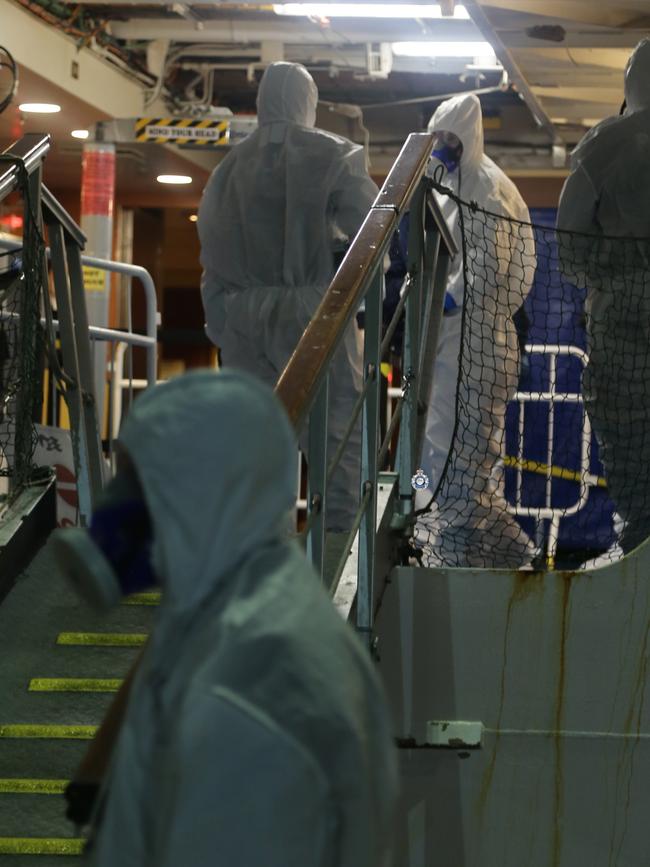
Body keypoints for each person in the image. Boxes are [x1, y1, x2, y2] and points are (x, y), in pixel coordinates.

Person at [55, 370, 397, 866]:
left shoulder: (251, 689)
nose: (116, 502)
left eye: (137, 481)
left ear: (204, 492)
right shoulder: (228, 608)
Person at [198, 61, 378, 532]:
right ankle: (339, 556)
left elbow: (212, 254)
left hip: (243, 316)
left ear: (261, 103)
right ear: (308, 103)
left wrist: (223, 321)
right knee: (337, 437)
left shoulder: (227, 168)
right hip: (314, 311)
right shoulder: (336, 154)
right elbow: (373, 227)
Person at [414, 93, 538, 568]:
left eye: (450, 137)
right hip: (448, 335)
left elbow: (491, 264)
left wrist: (453, 294)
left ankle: (451, 546)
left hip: (479, 335)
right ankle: (506, 551)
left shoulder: (487, 187)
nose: (443, 145)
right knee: (446, 444)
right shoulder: (442, 179)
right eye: (438, 137)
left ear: (467, 135)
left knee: (465, 448)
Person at [557, 38, 650, 556]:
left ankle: (639, 560)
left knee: (630, 449)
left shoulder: (604, 145)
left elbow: (571, 238)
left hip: (621, 317)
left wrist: (600, 275)